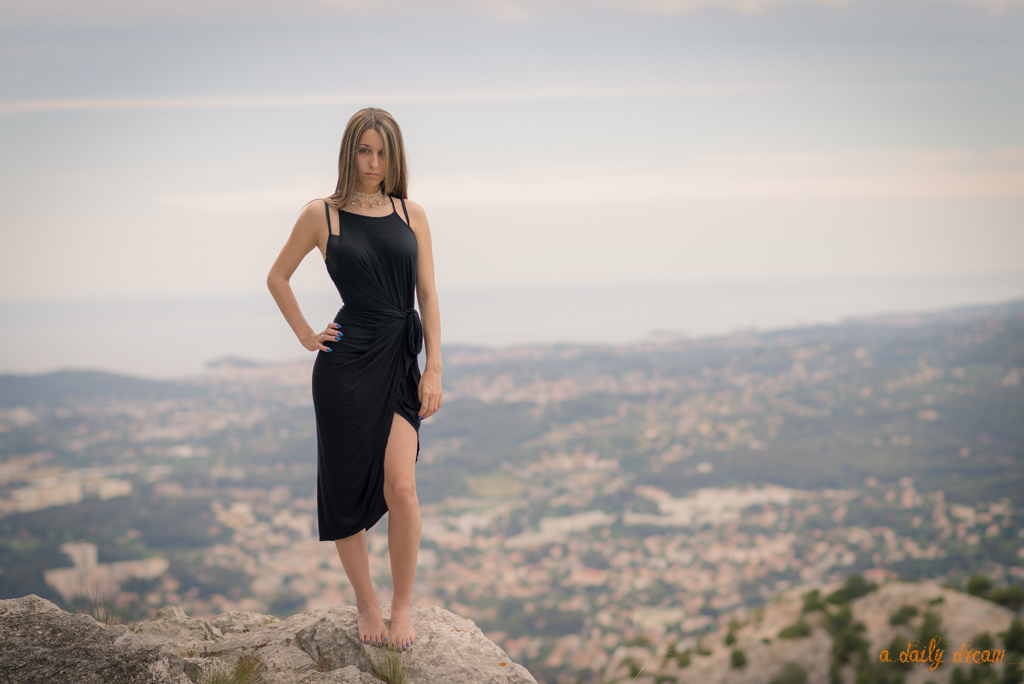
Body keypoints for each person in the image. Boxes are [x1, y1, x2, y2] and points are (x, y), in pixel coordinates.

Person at [266, 107, 442, 652]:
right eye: (364, 151)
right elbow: (277, 276)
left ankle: (403, 605)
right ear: (349, 153)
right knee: (344, 488)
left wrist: (434, 366)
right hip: (344, 367)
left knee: (404, 488)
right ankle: (367, 601)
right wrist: (304, 334)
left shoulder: (411, 213)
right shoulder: (322, 214)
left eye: (382, 151)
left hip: (398, 360)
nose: (372, 162)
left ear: (395, 156)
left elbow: (428, 294)